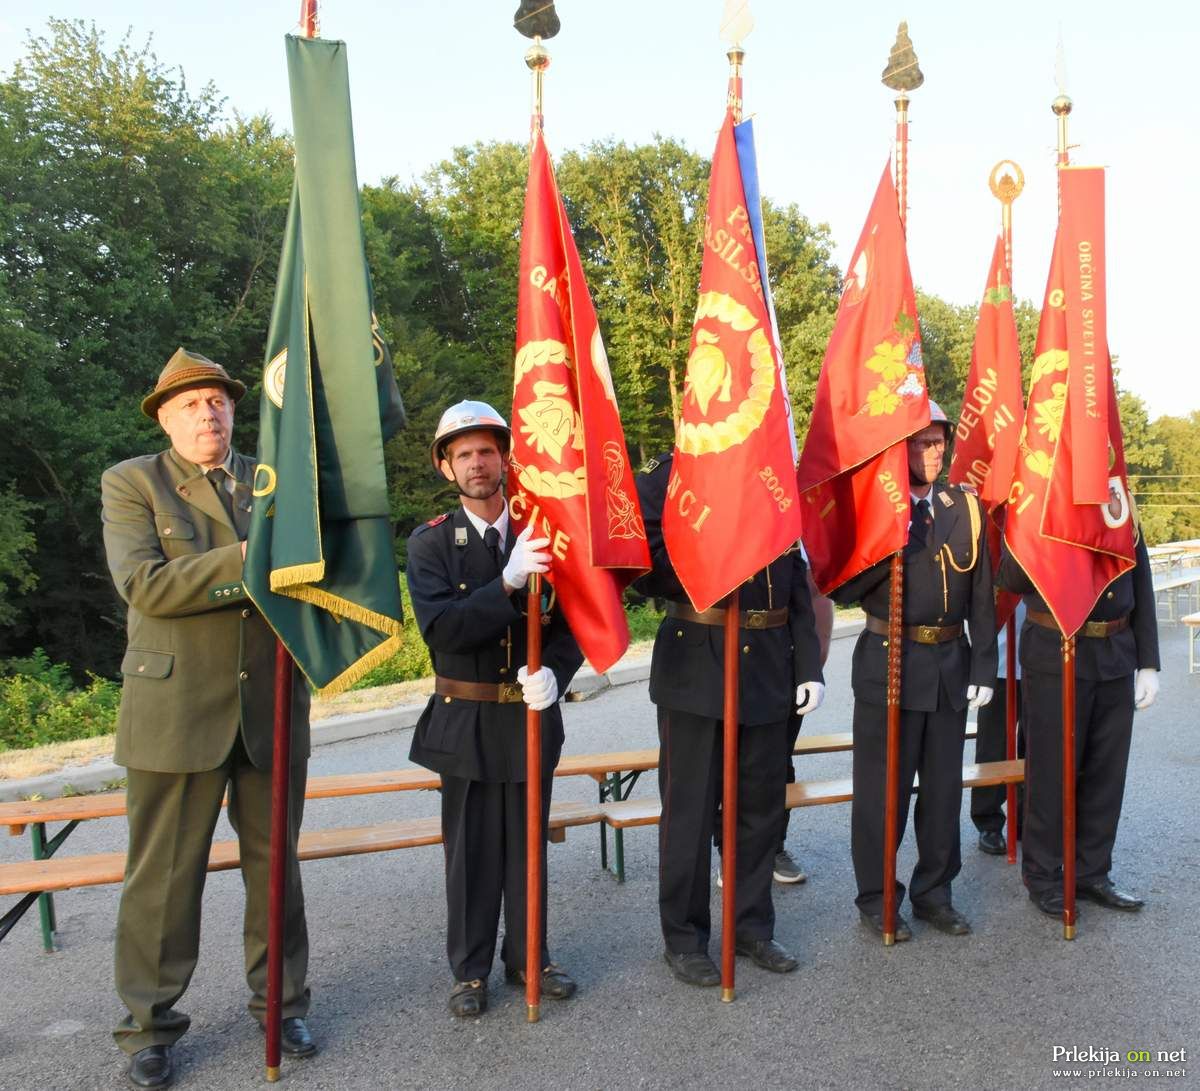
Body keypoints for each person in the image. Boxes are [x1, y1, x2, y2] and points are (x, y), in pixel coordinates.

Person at [102, 348, 314, 1090]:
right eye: (189, 404)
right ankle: (148, 1026)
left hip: (270, 704)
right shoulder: (133, 482)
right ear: (164, 419)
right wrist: (252, 558)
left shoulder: (275, 480)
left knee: (276, 870)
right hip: (174, 710)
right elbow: (145, 585)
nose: (207, 413)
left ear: (232, 409)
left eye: (217, 400)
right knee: (162, 880)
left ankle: (282, 1004)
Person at [406, 400, 583, 1018]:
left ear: (506, 458)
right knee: (472, 852)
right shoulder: (431, 543)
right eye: (463, 455)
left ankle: (529, 956)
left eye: (486, 450)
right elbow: (444, 630)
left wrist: (557, 672)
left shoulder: (545, 532)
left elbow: (573, 621)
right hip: (468, 720)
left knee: (528, 845)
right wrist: (506, 582)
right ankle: (470, 970)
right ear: (446, 467)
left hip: (529, 714)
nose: (477, 463)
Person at [634, 453, 825, 987]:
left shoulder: (771, 470)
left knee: (759, 810)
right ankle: (685, 938)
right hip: (697, 662)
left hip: (769, 664)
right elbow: (639, 564)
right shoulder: (672, 473)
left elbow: (796, 577)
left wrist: (809, 665)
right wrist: (711, 549)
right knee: (690, 814)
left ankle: (751, 927)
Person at [829, 402, 997, 939]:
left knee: (943, 793)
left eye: (938, 441)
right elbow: (840, 588)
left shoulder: (963, 507)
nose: (933, 451)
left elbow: (982, 596)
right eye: (921, 442)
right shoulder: (876, 509)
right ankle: (878, 898)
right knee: (883, 795)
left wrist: (984, 666)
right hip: (890, 665)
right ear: (899, 450)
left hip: (949, 666)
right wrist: (886, 540)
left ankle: (934, 894)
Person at [997, 519, 1160, 917]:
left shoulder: (1121, 506)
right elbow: (1011, 578)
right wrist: (1036, 530)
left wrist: (1148, 663)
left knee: (1106, 774)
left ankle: (1091, 872)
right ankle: (1043, 875)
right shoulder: (1041, 506)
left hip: (1116, 651)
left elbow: (1140, 582)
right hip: (1056, 652)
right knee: (1051, 772)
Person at [775, 571, 835, 883]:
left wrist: (812, 664)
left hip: (787, 661)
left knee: (778, 762)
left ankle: (774, 847)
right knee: (729, 763)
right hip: (732, 654)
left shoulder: (801, 545)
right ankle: (729, 849)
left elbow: (815, 595)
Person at [971, 600, 1026, 855]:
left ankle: (1028, 816)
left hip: (1044, 656)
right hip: (999, 662)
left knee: (1038, 745)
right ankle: (988, 821)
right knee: (993, 745)